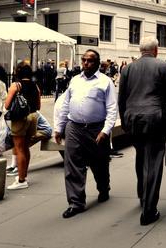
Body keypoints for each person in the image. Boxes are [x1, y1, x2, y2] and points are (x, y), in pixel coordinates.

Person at [118, 37, 166, 226]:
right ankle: (149, 210)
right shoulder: (163, 67)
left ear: (141, 50)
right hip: (155, 118)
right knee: (153, 162)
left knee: (141, 157)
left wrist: (124, 121)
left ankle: (142, 195)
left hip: (133, 119)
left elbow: (122, 98)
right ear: (156, 50)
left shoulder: (127, 69)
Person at [54, 50, 117, 219]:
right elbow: (65, 104)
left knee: (99, 163)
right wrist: (59, 127)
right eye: (84, 60)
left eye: (90, 61)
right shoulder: (75, 80)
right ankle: (76, 203)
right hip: (74, 127)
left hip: (96, 129)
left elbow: (112, 108)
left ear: (97, 63)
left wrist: (105, 131)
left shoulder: (105, 82)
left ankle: (103, 188)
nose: (86, 63)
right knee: (73, 165)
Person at [4, 63, 41, 190]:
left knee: (19, 149)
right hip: (33, 116)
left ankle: (21, 180)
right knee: (26, 148)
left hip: (20, 118)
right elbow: (38, 106)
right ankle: (23, 175)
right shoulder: (35, 86)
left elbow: (7, 105)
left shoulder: (16, 85)